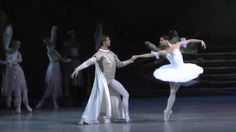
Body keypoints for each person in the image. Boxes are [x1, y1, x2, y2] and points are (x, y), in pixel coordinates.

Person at [133, 36, 206, 121]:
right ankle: (167, 111)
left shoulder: (177, 45)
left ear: (166, 40)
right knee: (172, 92)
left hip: (181, 70)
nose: (160, 42)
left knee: (173, 92)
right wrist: (138, 56)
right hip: (172, 71)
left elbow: (189, 40)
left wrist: (201, 40)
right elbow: (150, 55)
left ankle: (167, 111)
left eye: (161, 40)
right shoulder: (165, 51)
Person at [71, 35, 135, 124]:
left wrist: (130, 60)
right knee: (96, 100)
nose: (110, 41)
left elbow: (119, 64)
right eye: (108, 40)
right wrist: (77, 68)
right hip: (103, 82)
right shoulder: (99, 54)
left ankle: (127, 116)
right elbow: (89, 62)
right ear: (104, 42)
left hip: (111, 80)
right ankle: (88, 117)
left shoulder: (112, 54)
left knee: (125, 94)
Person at [36, 26, 70, 109]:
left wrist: (54, 30)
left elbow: (53, 39)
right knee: (52, 84)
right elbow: (60, 57)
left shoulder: (51, 48)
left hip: (55, 66)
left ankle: (54, 102)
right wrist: (65, 60)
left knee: (55, 84)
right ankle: (44, 101)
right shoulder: (50, 49)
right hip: (53, 67)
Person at [3, 40, 32, 113]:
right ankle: (16, 107)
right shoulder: (7, 52)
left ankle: (25, 105)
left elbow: (20, 59)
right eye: (17, 44)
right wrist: (6, 63)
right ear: (13, 45)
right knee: (12, 88)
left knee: (20, 87)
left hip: (17, 70)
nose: (18, 46)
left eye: (19, 44)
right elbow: (6, 62)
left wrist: (13, 62)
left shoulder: (18, 53)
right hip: (9, 72)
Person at [62, 30, 85, 106]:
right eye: (71, 34)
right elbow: (64, 55)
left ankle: (76, 100)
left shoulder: (77, 44)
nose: (73, 35)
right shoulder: (67, 44)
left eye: (74, 34)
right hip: (70, 63)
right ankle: (70, 100)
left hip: (77, 62)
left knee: (77, 82)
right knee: (71, 82)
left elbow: (80, 53)